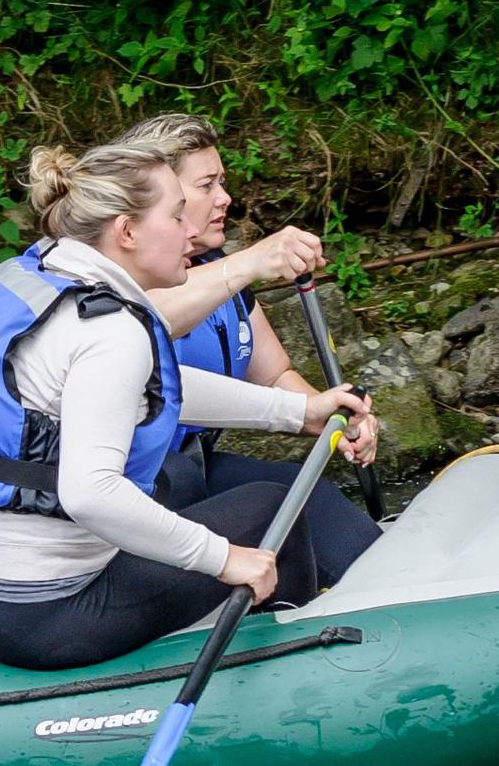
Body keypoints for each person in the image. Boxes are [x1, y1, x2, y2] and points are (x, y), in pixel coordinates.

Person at [0, 137, 375, 673]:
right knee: (272, 507)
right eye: (177, 215)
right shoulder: (110, 330)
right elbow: (90, 494)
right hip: (44, 615)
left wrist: (298, 412)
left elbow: (149, 387)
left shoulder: (31, 279)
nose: (190, 232)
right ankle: (301, 668)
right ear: (127, 232)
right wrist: (224, 559)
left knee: (182, 481)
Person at [95, 111, 383, 577]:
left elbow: (272, 375)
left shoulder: (217, 266)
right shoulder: (116, 282)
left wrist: (332, 414)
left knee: (315, 502)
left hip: (191, 467)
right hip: (129, 488)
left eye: (222, 182)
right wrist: (250, 262)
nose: (224, 198)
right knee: (271, 511)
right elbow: (144, 318)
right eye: (206, 185)